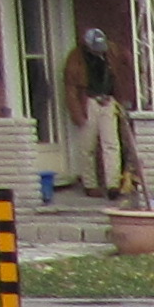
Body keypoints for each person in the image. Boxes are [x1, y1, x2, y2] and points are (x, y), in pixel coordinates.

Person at [60, 24, 122, 194]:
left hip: (108, 101)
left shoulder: (111, 52)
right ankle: (90, 184)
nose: (99, 52)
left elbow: (121, 71)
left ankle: (113, 184)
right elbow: (71, 88)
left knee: (111, 144)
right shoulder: (76, 58)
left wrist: (120, 100)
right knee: (88, 146)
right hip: (88, 101)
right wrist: (77, 112)